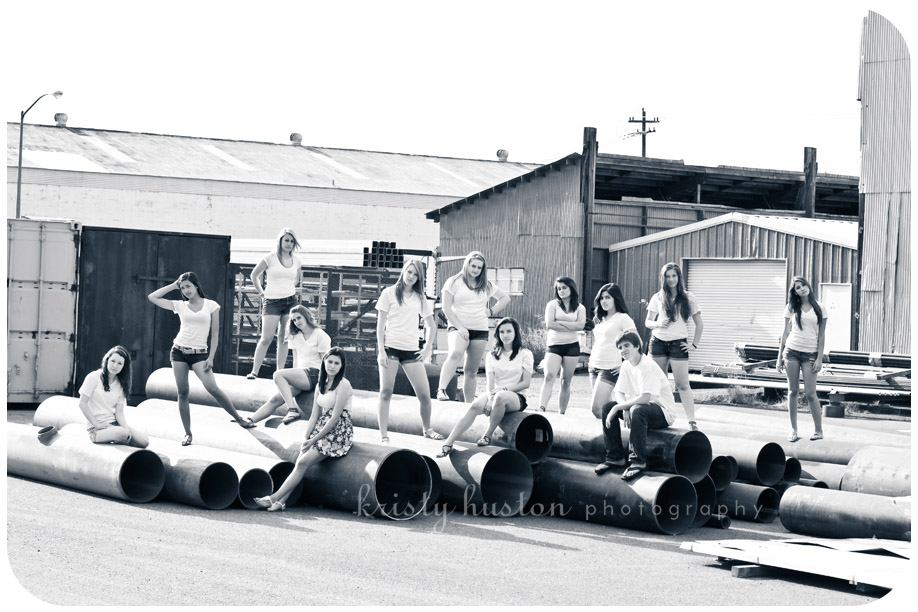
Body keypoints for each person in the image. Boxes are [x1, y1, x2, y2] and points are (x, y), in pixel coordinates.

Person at [148, 271, 255, 446]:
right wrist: (174, 285)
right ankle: (188, 433)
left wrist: (211, 357)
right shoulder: (179, 305)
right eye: (182, 288)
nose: (186, 290)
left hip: (200, 354)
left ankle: (239, 418)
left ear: (196, 285)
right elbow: (152, 297)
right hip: (179, 352)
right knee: (183, 392)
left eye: (188, 286)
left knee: (213, 388)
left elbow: (215, 334)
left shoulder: (211, 305)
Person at [255, 348, 354, 512]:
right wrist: (306, 436)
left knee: (302, 463)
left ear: (341, 366)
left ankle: (273, 497)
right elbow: (315, 416)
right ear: (324, 362)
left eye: (337, 363)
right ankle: (281, 502)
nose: (332, 366)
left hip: (339, 432)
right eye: (330, 361)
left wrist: (313, 440)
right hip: (321, 427)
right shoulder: (320, 384)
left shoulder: (344, 384)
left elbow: (336, 417)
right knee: (299, 461)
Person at [437, 317, 533, 456]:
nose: (505, 335)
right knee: (475, 406)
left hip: (516, 397)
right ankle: (448, 443)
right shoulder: (492, 354)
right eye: (501, 332)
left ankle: (487, 435)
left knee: (500, 396)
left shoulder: (525, 353)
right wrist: (489, 398)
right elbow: (490, 382)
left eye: (508, 331)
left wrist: (502, 391)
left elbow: (526, 383)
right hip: (495, 393)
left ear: (516, 333)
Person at [375, 258, 443, 443]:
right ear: (403, 272)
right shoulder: (389, 293)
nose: (411, 276)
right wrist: (381, 350)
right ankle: (383, 435)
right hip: (390, 348)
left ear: (419, 277)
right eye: (409, 272)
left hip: (411, 351)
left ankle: (427, 429)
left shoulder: (420, 298)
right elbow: (380, 325)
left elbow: (431, 325)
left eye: (415, 274)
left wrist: (427, 347)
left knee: (424, 395)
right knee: (386, 392)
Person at [595, 331, 676, 481]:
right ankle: (615, 457)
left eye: (626, 345)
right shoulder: (626, 365)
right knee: (607, 408)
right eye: (619, 347)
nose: (623, 350)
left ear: (637, 346)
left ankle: (638, 462)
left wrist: (620, 407)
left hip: (662, 413)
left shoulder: (647, 365)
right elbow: (619, 392)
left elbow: (645, 398)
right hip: (639, 409)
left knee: (636, 410)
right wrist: (622, 407)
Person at [435, 251, 510, 403]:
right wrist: (460, 327)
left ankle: (468, 404)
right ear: (467, 264)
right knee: (455, 353)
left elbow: (505, 298)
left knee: (471, 370)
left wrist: (491, 311)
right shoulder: (454, 281)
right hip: (458, 327)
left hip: (480, 330)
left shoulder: (486, 285)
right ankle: (441, 390)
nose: (475, 270)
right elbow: (446, 308)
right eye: (473, 266)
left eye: (479, 268)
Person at [248, 305, 331, 425]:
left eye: (299, 318)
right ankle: (250, 420)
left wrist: (326, 384)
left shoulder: (320, 335)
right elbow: (296, 361)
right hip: (302, 376)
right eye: (294, 320)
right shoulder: (294, 335)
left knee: (278, 374)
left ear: (306, 317)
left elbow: (326, 361)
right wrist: (292, 381)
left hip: (315, 374)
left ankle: (292, 410)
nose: (297, 322)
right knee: (276, 399)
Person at [644, 262, 703, 430]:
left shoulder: (688, 297)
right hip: (657, 344)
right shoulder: (657, 297)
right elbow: (647, 322)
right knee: (657, 383)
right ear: (663, 278)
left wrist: (694, 345)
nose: (671, 279)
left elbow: (699, 324)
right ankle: (661, 417)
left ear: (679, 277)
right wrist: (658, 324)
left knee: (683, 384)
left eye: (674, 276)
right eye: (667, 276)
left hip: (678, 344)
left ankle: (692, 422)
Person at [247, 228, 302, 379]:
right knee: (266, 337)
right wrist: (262, 293)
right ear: (280, 241)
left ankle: (279, 372)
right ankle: (254, 371)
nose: (289, 244)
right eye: (286, 240)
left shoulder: (296, 261)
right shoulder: (270, 258)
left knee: (284, 337)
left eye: (291, 241)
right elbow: (254, 275)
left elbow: (296, 277)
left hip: (290, 301)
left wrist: (289, 286)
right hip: (272, 302)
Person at [776, 276, 826, 442]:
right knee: (793, 391)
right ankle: (793, 429)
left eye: (803, 285)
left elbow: (822, 335)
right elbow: (785, 333)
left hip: (810, 354)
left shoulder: (820, 307)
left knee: (811, 393)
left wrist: (819, 358)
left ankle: (818, 431)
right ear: (794, 292)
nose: (802, 288)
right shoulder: (791, 307)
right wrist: (779, 358)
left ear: (808, 285)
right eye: (798, 287)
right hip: (791, 352)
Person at [78, 346, 149, 448]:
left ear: (124, 367)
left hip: (114, 424)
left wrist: (126, 428)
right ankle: (119, 437)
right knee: (122, 434)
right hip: (95, 429)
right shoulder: (93, 377)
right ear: (107, 360)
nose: (115, 366)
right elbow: (82, 404)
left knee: (144, 441)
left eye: (119, 363)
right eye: (113, 361)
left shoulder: (121, 384)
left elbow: (119, 412)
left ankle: (120, 436)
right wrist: (96, 424)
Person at [537, 276, 586, 414]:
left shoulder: (580, 307)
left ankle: (561, 412)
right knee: (549, 376)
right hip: (554, 346)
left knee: (565, 381)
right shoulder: (552, 305)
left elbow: (581, 325)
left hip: (572, 346)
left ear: (571, 288)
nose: (561, 291)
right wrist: (572, 325)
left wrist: (560, 323)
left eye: (564, 287)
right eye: (559, 288)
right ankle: (541, 408)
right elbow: (550, 324)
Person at [588, 283, 638, 419]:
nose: (604, 301)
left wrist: (624, 364)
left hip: (610, 368)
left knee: (597, 409)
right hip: (593, 366)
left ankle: (631, 417)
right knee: (605, 409)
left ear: (616, 299)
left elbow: (637, 343)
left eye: (607, 297)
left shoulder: (623, 318)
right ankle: (609, 437)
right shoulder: (599, 319)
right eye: (601, 298)